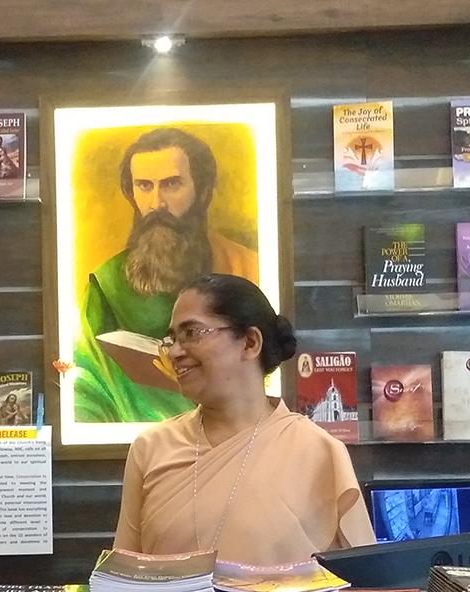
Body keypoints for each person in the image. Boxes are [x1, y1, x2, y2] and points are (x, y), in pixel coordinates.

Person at [113, 273, 375, 564]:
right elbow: (125, 577)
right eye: (172, 338)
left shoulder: (319, 452)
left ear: (250, 342)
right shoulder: (151, 448)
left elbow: (359, 587)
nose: (174, 352)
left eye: (192, 333)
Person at [75, 127, 261, 424]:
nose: (156, 203)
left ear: (202, 191)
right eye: (144, 186)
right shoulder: (105, 284)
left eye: (172, 184)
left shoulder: (247, 266)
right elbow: (85, 386)